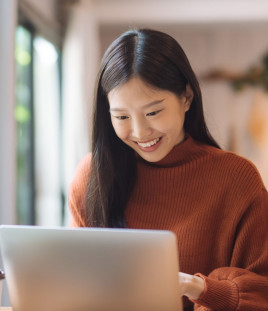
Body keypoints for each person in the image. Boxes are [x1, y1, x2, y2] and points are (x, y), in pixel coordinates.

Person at [68, 28, 268, 310]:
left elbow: (262, 292)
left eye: (153, 112)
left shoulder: (236, 180)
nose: (139, 131)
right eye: (122, 116)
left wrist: (198, 288)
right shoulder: (91, 177)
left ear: (186, 97)